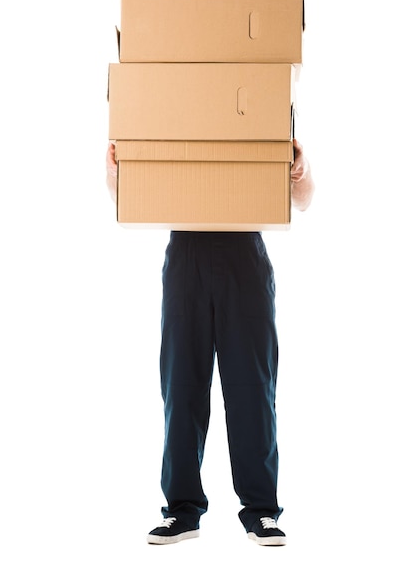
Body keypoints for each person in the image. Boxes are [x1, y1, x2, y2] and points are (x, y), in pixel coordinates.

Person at [106, 139, 314, 546]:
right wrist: (117, 168)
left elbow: (304, 202)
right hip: (186, 256)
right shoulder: (172, 122)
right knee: (181, 388)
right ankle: (181, 512)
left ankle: (261, 511)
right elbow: (125, 202)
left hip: (245, 257)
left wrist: (299, 170)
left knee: (253, 390)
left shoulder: (263, 120)